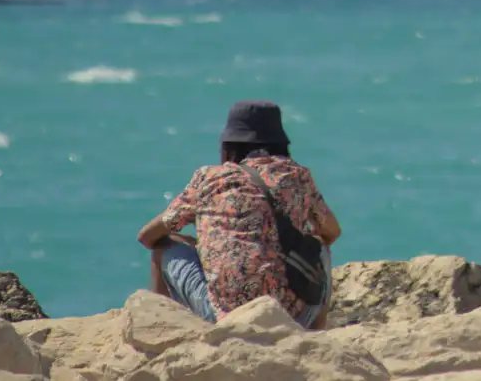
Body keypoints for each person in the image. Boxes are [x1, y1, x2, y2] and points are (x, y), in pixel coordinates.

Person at [137, 100, 342, 328]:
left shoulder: (209, 178)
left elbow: (147, 236)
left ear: (228, 144)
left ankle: (159, 327)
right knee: (319, 245)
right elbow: (332, 232)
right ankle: (316, 333)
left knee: (164, 246)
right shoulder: (298, 177)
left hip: (227, 319)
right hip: (291, 318)